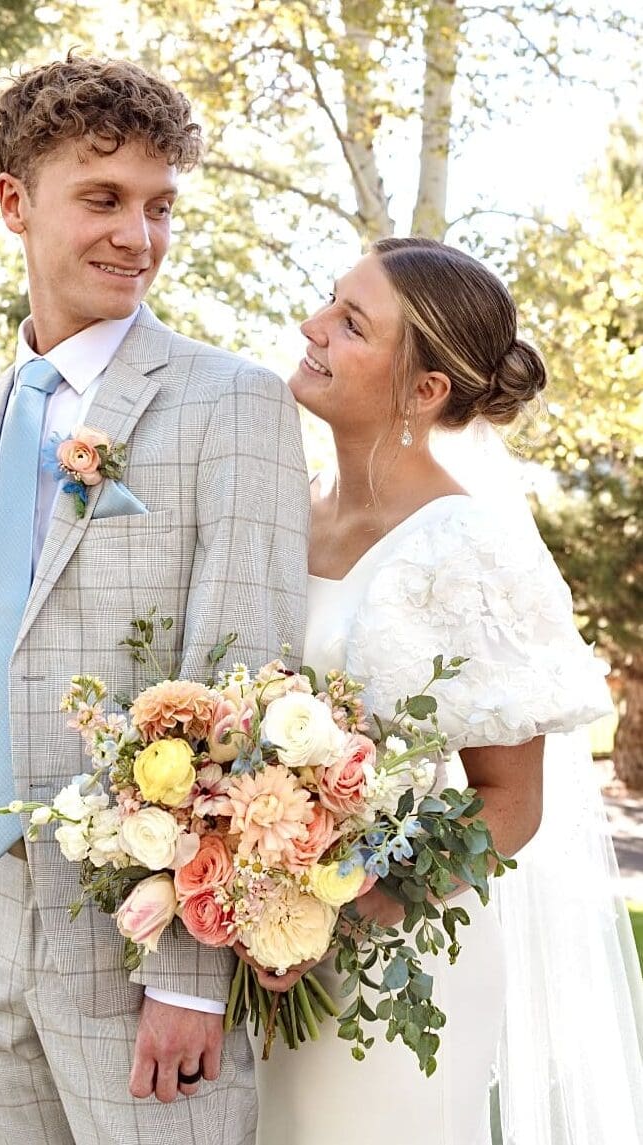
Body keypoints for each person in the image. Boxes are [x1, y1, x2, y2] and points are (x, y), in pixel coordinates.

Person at [0, 54, 309, 1144]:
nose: (138, 236)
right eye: (103, 198)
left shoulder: (234, 402)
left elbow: (242, 685)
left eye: (159, 206)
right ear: (14, 202)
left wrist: (195, 972)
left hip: (137, 925)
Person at [252, 237, 643, 1144]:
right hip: (254, 951)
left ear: (423, 390)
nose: (312, 327)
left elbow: (510, 801)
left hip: (393, 972)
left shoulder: (468, 547)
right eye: (327, 301)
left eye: (351, 323)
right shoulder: (283, 509)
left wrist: (356, 903)